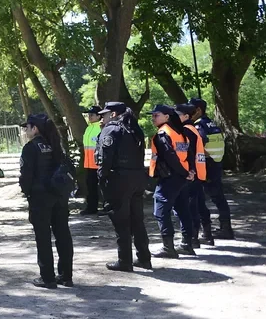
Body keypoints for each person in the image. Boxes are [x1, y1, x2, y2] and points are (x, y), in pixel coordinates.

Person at [95, 102, 153, 272]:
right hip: (136, 177)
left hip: (118, 179)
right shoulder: (134, 128)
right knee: (137, 220)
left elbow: (105, 156)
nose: (102, 118)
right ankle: (144, 258)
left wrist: (102, 176)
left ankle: (125, 260)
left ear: (112, 114)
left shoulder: (111, 129)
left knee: (121, 221)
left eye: (104, 114)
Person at [20, 114, 74, 289]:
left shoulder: (30, 148)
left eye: (27, 127)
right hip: (59, 196)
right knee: (63, 235)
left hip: (39, 197)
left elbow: (26, 176)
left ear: (35, 128)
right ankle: (66, 276)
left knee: (43, 238)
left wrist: (27, 192)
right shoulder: (55, 146)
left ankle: (48, 277)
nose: (25, 130)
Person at [148, 104, 197, 259]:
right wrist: (190, 172)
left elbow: (171, 157)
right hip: (181, 178)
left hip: (170, 178)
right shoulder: (179, 132)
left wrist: (185, 172)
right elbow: (189, 153)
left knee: (160, 211)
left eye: (156, 115)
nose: (152, 118)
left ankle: (168, 248)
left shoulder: (163, 133)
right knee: (183, 210)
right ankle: (187, 244)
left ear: (167, 116)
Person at [190, 98, 234, 240]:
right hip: (216, 163)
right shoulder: (211, 123)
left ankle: (206, 231)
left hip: (207, 165)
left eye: (191, 110)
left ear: (198, 110)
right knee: (219, 197)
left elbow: (199, 145)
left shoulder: (199, 126)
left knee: (199, 198)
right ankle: (225, 228)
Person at [177, 104, 210, 249]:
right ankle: (195, 238)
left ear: (185, 116)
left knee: (188, 207)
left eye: (177, 114)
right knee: (195, 205)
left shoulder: (186, 130)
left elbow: (184, 152)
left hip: (191, 174)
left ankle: (191, 239)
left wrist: (187, 171)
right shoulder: (193, 129)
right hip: (198, 173)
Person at [81, 106, 103, 215]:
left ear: (99, 116)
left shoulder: (101, 127)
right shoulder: (88, 128)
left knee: (102, 187)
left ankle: (106, 207)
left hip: (98, 163)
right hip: (89, 163)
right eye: (88, 115)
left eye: (92, 115)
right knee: (90, 187)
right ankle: (91, 207)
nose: (89, 117)